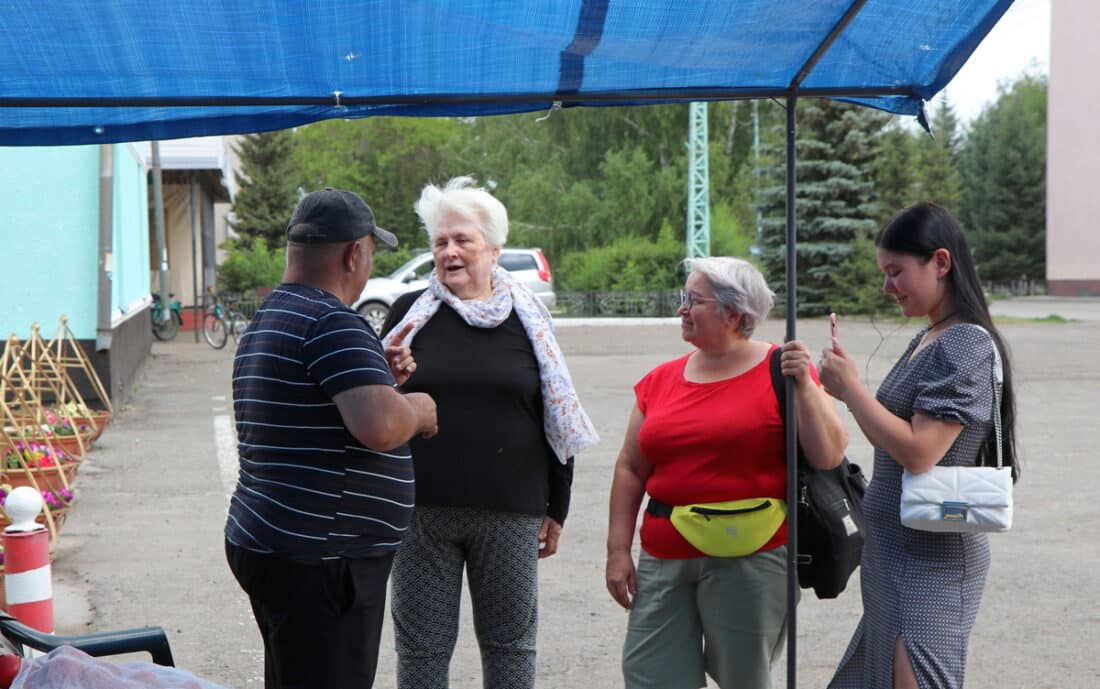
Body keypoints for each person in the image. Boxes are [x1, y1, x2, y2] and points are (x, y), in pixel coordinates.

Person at [379, 176, 599, 689]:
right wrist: (388, 377)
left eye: (463, 240)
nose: (449, 252)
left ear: (494, 249)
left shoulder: (530, 317)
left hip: (511, 510)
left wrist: (558, 506)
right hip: (421, 511)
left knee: (510, 651)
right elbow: (374, 409)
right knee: (422, 652)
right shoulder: (408, 314)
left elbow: (555, 412)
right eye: (440, 242)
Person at [224, 188, 438, 689]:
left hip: (277, 543)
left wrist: (375, 381)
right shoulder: (332, 321)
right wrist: (419, 410)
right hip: (322, 560)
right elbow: (380, 427)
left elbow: (312, 404)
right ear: (354, 253)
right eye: (371, 253)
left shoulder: (275, 314)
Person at [605, 256, 849, 689]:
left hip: (754, 558)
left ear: (733, 314)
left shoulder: (784, 370)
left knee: (743, 680)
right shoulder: (660, 380)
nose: (681, 308)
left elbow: (829, 454)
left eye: (692, 300)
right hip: (664, 554)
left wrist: (806, 386)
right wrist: (617, 550)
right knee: (650, 676)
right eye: (684, 297)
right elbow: (630, 467)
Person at [818, 202, 1019, 689]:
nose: (887, 287)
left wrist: (851, 390)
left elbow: (920, 451)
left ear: (941, 263)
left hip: (930, 560)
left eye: (896, 272)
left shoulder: (965, 344)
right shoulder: (932, 335)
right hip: (896, 554)